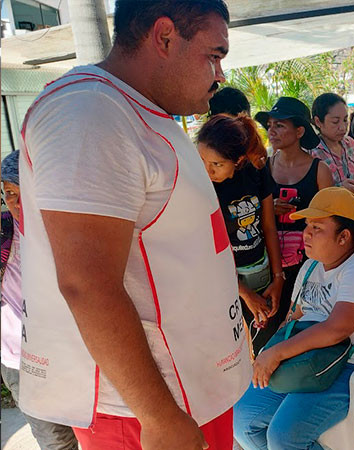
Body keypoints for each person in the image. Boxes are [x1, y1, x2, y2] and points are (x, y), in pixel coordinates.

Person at [17, 1, 251, 449]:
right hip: (142, 410)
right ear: (164, 37)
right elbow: (88, 284)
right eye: (214, 54)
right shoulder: (89, 112)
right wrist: (159, 418)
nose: (220, 74)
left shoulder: (131, 110)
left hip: (183, 395)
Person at [234, 187, 354, 450]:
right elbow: (293, 318)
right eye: (307, 225)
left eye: (317, 227)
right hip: (306, 362)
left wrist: (276, 355)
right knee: (242, 420)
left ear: (344, 236)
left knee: (284, 436)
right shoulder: (311, 266)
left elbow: (335, 330)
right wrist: (269, 350)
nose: (306, 233)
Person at [1, 150, 79, 450]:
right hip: (18, 358)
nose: (17, 203)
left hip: (73, 353)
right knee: (55, 441)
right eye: (9, 193)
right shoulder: (3, 232)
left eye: (25, 192)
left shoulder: (68, 229)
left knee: (99, 433)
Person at [197, 114, 285, 351]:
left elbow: (268, 226)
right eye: (201, 159)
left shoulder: (256, 169)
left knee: (263, 345)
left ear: (238, 161)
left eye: (216, 164)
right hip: (221, 280)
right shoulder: (199, 186)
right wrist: (243, 292)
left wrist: (278, 279)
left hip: (259, 271)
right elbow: (205, 250)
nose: (207, 171)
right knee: (229, 350)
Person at [256, 97, 334, 339]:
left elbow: (331, 220)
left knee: (302, 329)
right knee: (267, 330)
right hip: (268, 265)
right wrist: (265, 210)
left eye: (280, 125)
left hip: (309, 265)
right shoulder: (262, 167)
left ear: (299, 131)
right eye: (269, 125)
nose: (272, 131)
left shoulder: (320, 170)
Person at [310, 93, 354, 194]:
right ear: (318, 122)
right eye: (335, 122)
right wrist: (340, 189)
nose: (343, 127)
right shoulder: (311, 152)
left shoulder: (350, 144)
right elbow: (309, 191)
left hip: (353, 207)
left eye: (345, 120)